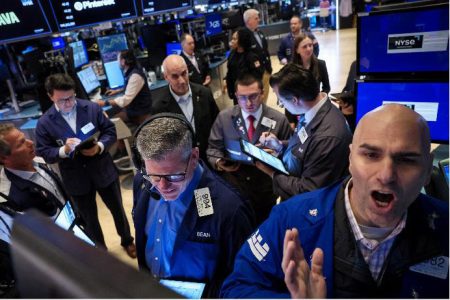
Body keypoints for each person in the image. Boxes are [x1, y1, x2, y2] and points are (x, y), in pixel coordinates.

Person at [221, 104, 449, 298]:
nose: (386, 175)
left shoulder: (445, 228)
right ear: (350, 158)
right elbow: (235, 289)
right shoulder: (289, 219)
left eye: (406, 159)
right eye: (371, 155)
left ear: (428, 168)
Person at [132, 113, 255, 297]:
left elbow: (243, 278)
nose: (162, 187)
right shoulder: (142, 182)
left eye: (173, 175)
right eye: (155, 176)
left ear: (194, 156)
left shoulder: (229, 209)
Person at [35, 73, 137, 258]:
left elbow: (109, 131)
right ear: (51, 96)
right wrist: (64, 151)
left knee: (118, 210)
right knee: (90, 219)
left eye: (71, 97)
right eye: (62, 100)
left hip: (102, 170)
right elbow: (43, 152)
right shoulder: (44, 123)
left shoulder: (90, 108)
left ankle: (127, 240)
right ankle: (101, 253)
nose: (68, 103)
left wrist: (99, 146)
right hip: (76, 179)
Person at [257, 63, 352, 200]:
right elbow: (305, 146)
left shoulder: (327, 138)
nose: (281, 105)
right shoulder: (313, 110)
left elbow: (309, 190)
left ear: (295, 100)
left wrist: (272, 173)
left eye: (281, 101)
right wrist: (279, 145)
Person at [207, 74, 292, 225]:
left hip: (266, 192)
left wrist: (278, 149)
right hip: (234, 190)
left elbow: (290, 158)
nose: (248, 102)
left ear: (263, 93)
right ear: (236, 96)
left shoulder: (279, 120)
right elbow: (213, 149)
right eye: (242, 97)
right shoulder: (224, 118)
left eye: (253, 96)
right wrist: (219, 162)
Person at [152, 55, 219, 162]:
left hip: (210, 159)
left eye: (184, 73)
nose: (182, 80)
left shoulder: (205, 94)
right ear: (166, 77)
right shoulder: (159, 107)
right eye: (175, 76)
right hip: (183, 165)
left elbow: (217, 126)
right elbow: (162, 143)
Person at [0, 123, 66, 217]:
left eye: (25, 138)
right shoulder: (8, 196)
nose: (31, 142)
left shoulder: (38, 160)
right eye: (21, 143)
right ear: (3, 158)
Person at [95, 50, 152, 126]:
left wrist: (104, 103)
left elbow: (125, 100)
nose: (117, 62)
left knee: (111, 125)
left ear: (123, 61)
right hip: (134, 110)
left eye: (118, 60)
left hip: (140, 114)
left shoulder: (135, 76)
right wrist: (118, 91)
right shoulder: (131, 71)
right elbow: (132, 87)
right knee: (111, 118)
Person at [287, 33, 331, 128]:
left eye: (310, 45)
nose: (309, 49)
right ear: (297, 50)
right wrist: (290, 120)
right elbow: (288, 96)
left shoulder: (321, 64)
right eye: (304, 47)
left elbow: (326, 87)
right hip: (298, 110)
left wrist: (320, 99)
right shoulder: (291, 69)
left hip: (316, 108)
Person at [225, 28, 264, 105]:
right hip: (237, 93)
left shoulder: (252, 57)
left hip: (249, 93)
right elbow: (230, 72)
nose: (231, 41)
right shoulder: (232, 54)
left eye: (234, 39)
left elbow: (258, 75)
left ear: (241, 41)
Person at [243, 9, 272, 103]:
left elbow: (265, 50)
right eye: (256, 18)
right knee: (256, 99)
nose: (258, 20)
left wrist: (269, 68)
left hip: (266, 71)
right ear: (248, 21)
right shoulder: (244, 36)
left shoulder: (260, 33)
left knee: (265, 96)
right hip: (254, 75)